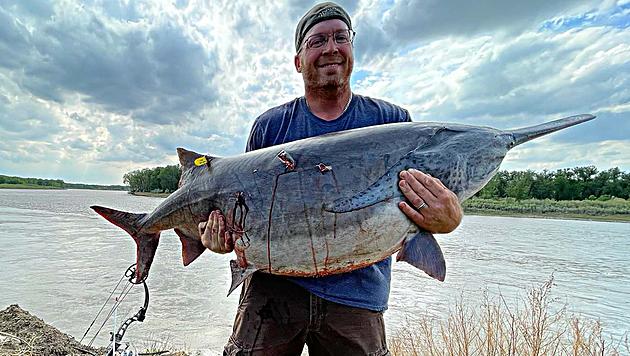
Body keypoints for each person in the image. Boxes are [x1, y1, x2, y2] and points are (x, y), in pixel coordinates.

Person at [198, 3, 462, 355]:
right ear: (298, 60)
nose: (331, 48)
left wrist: (450, 218)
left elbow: (416, 208)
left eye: (341, 37)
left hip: (358, 295)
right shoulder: (270, 127)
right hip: (273, 291)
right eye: (317, 41)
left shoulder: (394, 122)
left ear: (352, 48)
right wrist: (219, 239)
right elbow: (243, 216)